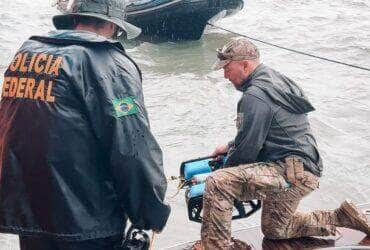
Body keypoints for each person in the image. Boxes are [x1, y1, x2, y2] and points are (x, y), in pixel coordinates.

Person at [0, 0, 170, 249]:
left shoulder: (26, 55)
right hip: (88, 224)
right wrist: (150, 213)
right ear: (114, 25)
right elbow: (132, 150)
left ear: (74, 18)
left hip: (32, 218)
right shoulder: (110, 65)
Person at [199, 37, 370, 249]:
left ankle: (215, 246)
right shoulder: (275, 79)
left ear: (245, 65)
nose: (224, 75)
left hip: (290, 170)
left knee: (218, 182)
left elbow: (246, 151)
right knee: (276, 230)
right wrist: (229, 146)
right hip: (306, 168)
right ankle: (341, 217)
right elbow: (264, 131)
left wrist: (223, 174)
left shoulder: (255, 95)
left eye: (227, 68)